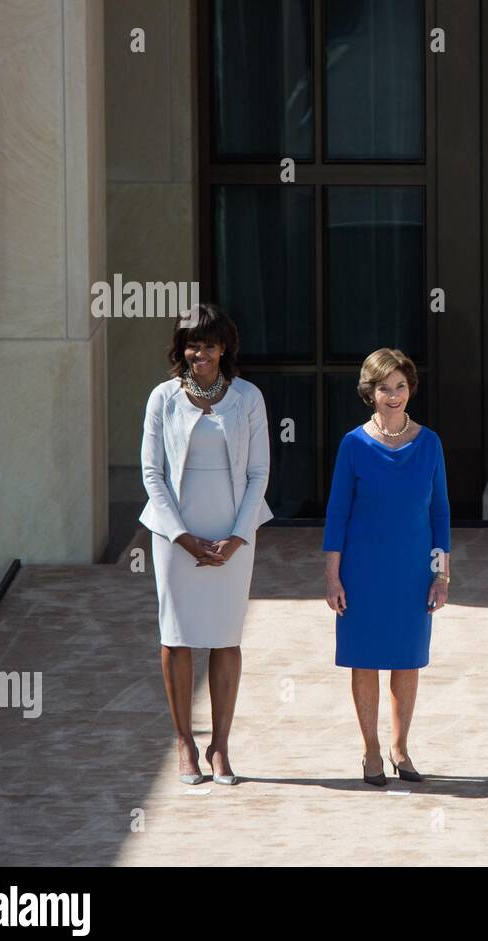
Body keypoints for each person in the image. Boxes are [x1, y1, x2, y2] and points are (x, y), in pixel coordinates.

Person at [140, 303, 273, 787]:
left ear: (225, 348)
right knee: (176, 635)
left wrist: (239, 536)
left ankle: (220, 747)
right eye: (193, 343)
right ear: (181, 348)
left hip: (233, 535)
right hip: (176, 537)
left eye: (210, 343)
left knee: (225, 636)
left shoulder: (248, 398)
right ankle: (184, 743)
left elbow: (259, 472)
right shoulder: (162, 398)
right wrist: (182, 537)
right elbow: (152, 472)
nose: (202, 352)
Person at [323, 348, 450, 787]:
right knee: (365, 660)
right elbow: (338, 512)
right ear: (370, 393)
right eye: (384, 388)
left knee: (407, 660)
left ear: (410, 389)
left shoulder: (430, 442)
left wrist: (441, 573)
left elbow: (440, 514)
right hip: (362, 570)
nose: (393, 395)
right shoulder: (353, 444)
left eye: (400, 386)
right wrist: (332, 574)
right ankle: (371, 751)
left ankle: (401, 747)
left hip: (413, 569)